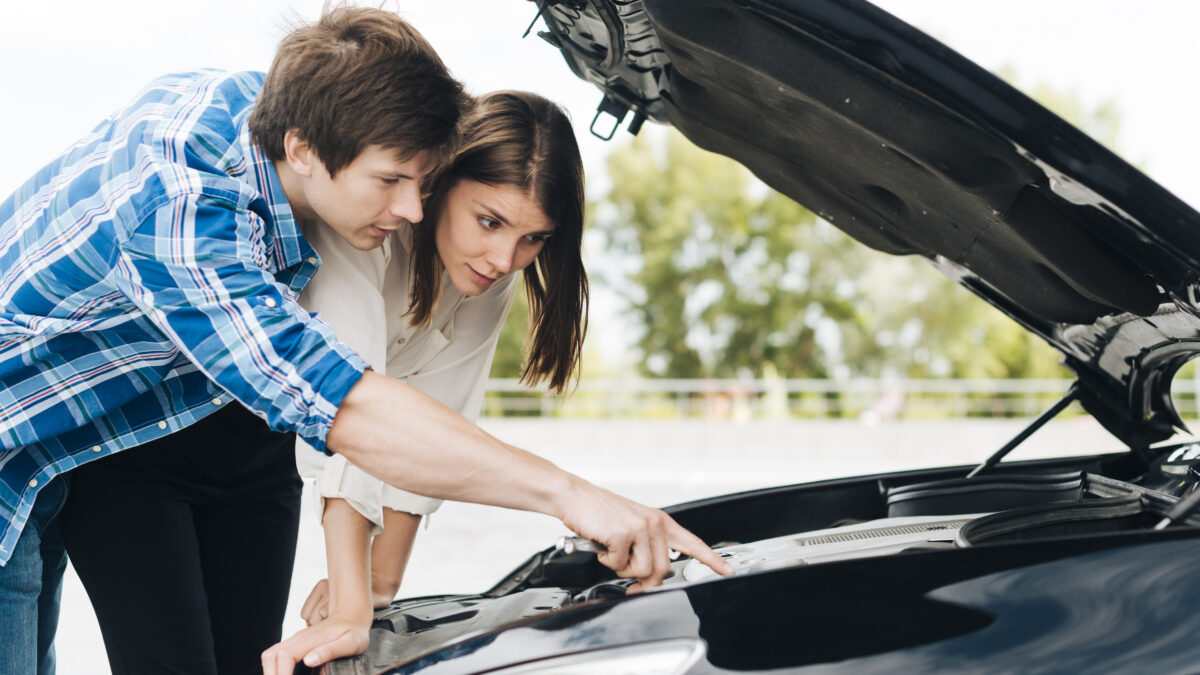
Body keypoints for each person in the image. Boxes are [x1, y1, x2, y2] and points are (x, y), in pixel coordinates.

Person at [0, 7, 733, 675]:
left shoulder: (270, 107)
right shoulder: (181, 214)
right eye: (390, 181)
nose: (411, 207)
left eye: (421, 180)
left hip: (66, 443)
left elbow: (410, 413)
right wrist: (572, 495)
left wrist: (375, 592)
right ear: (304, 147)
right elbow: (341, 403)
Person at [261, 89, 591, 672]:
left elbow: (440, 416)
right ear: (439, 180)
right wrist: (350, 607)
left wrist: (378, 583)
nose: (503, 258)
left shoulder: (494, 273)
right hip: (244, 427)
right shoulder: (364, 228)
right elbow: (352, 410)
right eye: (488, 221)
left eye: (533, 238)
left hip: (280, 460)